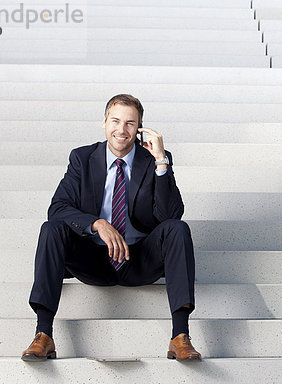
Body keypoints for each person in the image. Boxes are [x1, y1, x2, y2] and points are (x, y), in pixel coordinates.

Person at [21, 94, 200, 361]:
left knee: (178, 228)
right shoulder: (82, 158)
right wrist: (96, 224)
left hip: (139, 258)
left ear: (139, 129)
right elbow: (57, 208)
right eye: (115, 121)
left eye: (130, 123)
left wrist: (161, 162)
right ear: (104, 122)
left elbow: (169, 215)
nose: (121, 130)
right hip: (93, 258)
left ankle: (180, 336)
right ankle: (43, 334)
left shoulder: (153, 159)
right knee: (51, 229)